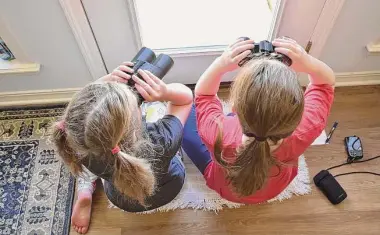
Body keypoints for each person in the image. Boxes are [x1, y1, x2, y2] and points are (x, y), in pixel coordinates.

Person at [182, 37, 335, 203]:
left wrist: (221, 64)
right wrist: (308, 63)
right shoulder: (306, 128)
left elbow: (204, 94)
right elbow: (325, 83)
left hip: (224, 188)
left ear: (235, 107)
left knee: (185, 108)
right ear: (297, 114)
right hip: (275, 189)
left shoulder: (218, 132)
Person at [51, 62, 193, 234]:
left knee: (89, 149)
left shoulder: (74, 137)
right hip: (167, 190)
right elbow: (184, 100)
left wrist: (101, 87)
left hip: (120, 198)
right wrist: (165, 93)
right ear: (138, 120)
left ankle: (85, 190)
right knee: (158, 109)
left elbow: (84, 116)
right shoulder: (161, 140)